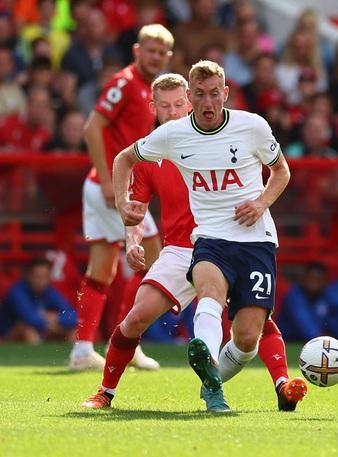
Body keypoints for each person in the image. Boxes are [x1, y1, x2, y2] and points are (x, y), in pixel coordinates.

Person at [83, 73, 305, 412]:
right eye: (165, 106)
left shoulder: (237, 130)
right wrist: (131, 239)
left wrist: (260, 202)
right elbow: (136, 209)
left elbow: (281, 170)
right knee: (137, 316)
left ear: (188, 103)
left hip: (239, 242)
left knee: (252, 326)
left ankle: (278, 383)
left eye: (177, 105)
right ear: (153, 108)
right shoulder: (160, 147)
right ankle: (105, 392)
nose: (173, 112)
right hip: (185, 248)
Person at [68, 24, 173, 371]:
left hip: (111, 186)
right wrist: (110, 182)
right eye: (150, 50)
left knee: (102, 269)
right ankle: (126, 341)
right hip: (113, 188)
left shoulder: (149, 89)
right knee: (156, 258)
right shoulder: (125, 83)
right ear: (137, 51)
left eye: (162, 52)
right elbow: (91, 128)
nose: (156, 56)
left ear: (168, 56)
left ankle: (83, 350)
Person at [0, 257, 77, 343]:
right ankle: (33, 356)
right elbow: (29, 318)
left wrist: (57, 318)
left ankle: (70, 356)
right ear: (29, 276)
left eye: (45, 277)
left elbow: (73, 316)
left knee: (73, 332)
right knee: (27, 329)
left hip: (42, 330)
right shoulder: (16, 292)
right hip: (7, 338)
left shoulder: (50, 291)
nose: (42, 281)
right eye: (38, 277)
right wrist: (47, 319)